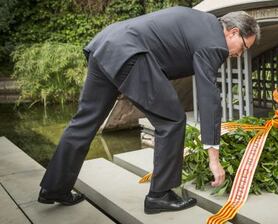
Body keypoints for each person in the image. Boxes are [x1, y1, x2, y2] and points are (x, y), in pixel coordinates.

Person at [37, 6, 260, 214]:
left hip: (106, 45)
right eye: (243, 47)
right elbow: (208, 96)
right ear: (232, 32)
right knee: (172, 120)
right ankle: (160, 195)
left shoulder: (201, 22)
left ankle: (54, 188)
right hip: (131, 54)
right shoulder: (214, 42)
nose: (239, 54)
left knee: (84, 121)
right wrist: (214, 158)